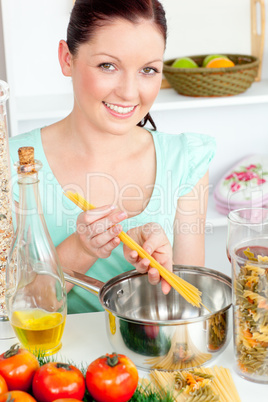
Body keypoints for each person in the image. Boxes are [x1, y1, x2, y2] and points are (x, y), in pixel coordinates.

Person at [9, 0, 216, 314]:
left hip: (145, 358)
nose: (130, 92)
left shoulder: (185, 160)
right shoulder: (10, 165)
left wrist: (161, 267)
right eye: (108, 65)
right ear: (67, 59)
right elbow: (15, 312)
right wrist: (80, 248)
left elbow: (189, 310)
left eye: (148, 70)